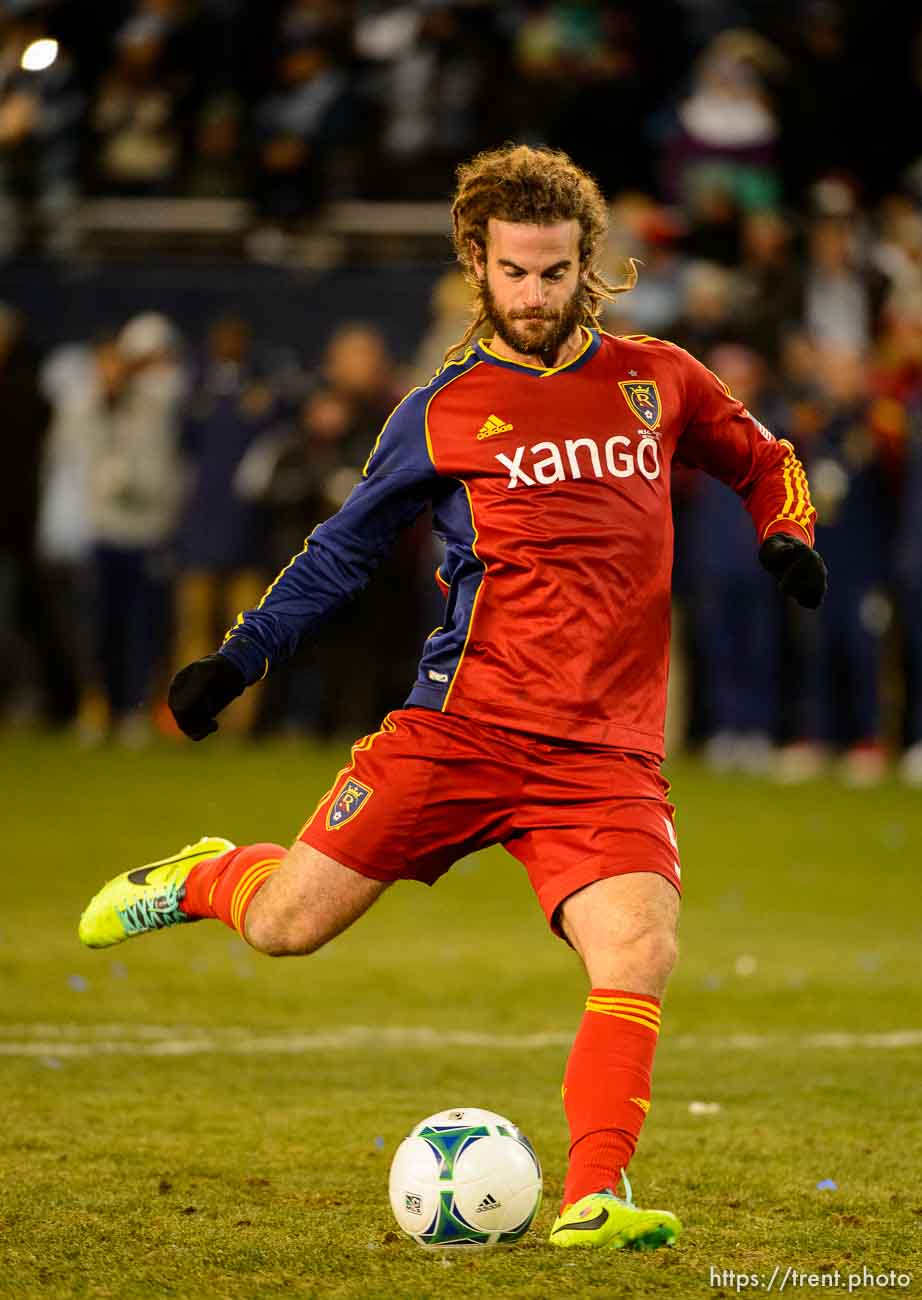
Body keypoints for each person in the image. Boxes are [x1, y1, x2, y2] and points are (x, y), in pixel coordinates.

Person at [78, 144, 827, 1251]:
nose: (536, 295)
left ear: (589, 266)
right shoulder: (440, 411)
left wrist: (786, 531)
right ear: (477, 264)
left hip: (602, 755)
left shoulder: (655, 378)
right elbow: (341, 551)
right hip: (461, 730)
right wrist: (236, 659)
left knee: (638, 949)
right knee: (288, 928)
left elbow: (766, 457)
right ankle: (206, 877)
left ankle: (595, 1193)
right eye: (515, 273)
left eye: (556, 271)